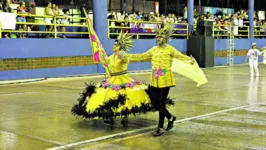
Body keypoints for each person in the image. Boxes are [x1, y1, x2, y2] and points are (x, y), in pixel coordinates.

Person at [71, 31, 174, 127]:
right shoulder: (112, 57)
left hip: (123, 79)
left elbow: (127, 59)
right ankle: (109, 115)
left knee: (125, 97)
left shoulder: (123, 56)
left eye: (115, 45)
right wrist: (101, 52)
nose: (113, 46)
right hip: (112, 79)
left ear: (120, 47)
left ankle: (125, 115)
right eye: (114, 44)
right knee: (108, 96)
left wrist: (123, 55)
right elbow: (105, 61)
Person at [128, 24, 195, 136]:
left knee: (161, 103)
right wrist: (126, 56)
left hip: (165, 80)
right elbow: (141, 56)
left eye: (160, 37)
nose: (158, 38)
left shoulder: (170, 49)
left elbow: (180, 56)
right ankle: (170, 117)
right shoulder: (153, 49)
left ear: (166, 38)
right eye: (156, 36)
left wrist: (190, 60)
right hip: (154, 80)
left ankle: (160, 128)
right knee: (155, 103)